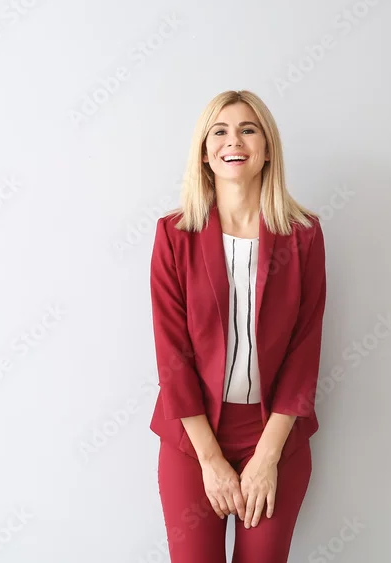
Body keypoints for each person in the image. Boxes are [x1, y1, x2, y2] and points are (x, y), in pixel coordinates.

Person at [149, 90, 327, 563]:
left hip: (275, 437)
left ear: (267, 148)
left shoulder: (303, 235)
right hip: (192, 439)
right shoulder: (174, 235)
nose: (234, 141)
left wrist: (267, 457)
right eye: (220, 131)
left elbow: (305, 350)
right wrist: (210, 461)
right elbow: (171, 356)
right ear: (205, 152)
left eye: (248, 129)